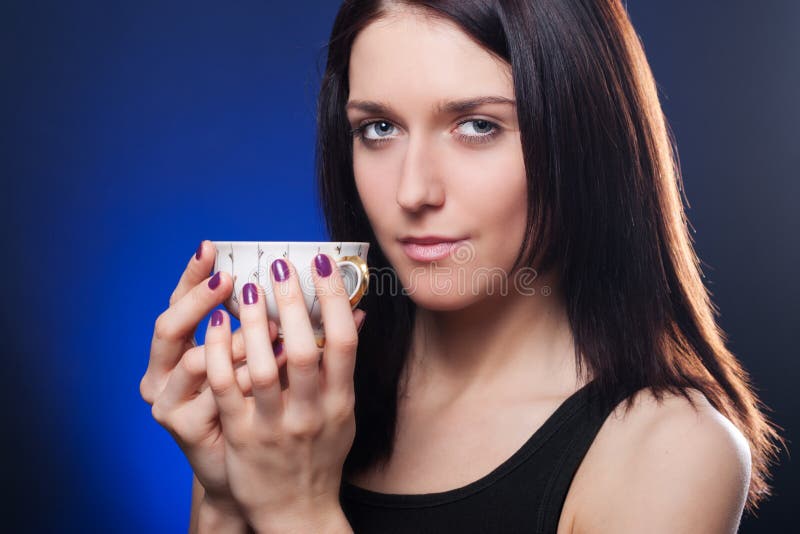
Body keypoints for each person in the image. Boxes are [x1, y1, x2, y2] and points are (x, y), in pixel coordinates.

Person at [140, 1, 784, 532]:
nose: (414, 191)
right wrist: (225, 497)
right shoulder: (288, 402)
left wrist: (292, 510)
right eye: (379, 129)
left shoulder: (671, 449)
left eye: (477, 126)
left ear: (584, 137)